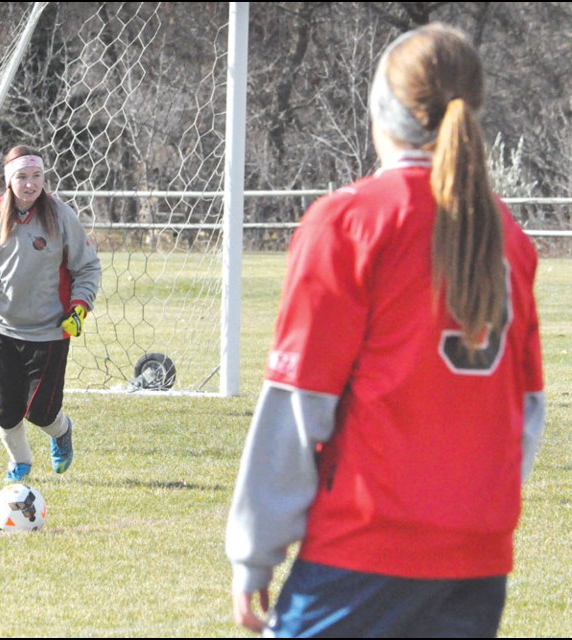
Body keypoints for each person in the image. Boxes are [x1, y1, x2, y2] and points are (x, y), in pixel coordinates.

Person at [225, 23, 545, 637]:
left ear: (380, 110)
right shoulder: (508, 235)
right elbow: (527, 410)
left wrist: (253, 551)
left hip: (364, 551)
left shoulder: (350, 221)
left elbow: (299, 407)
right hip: (477, 562)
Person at [0, 144, 101, 483]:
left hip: (49, 330)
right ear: (8, 180)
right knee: (5, 411)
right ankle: (20, 463)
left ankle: (61, 432)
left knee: (41, 411)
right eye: (22, 177)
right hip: (0, 327)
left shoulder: (61, 216)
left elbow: (88, 268)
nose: (31, 184)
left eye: (37, 176)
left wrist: (79, 309)